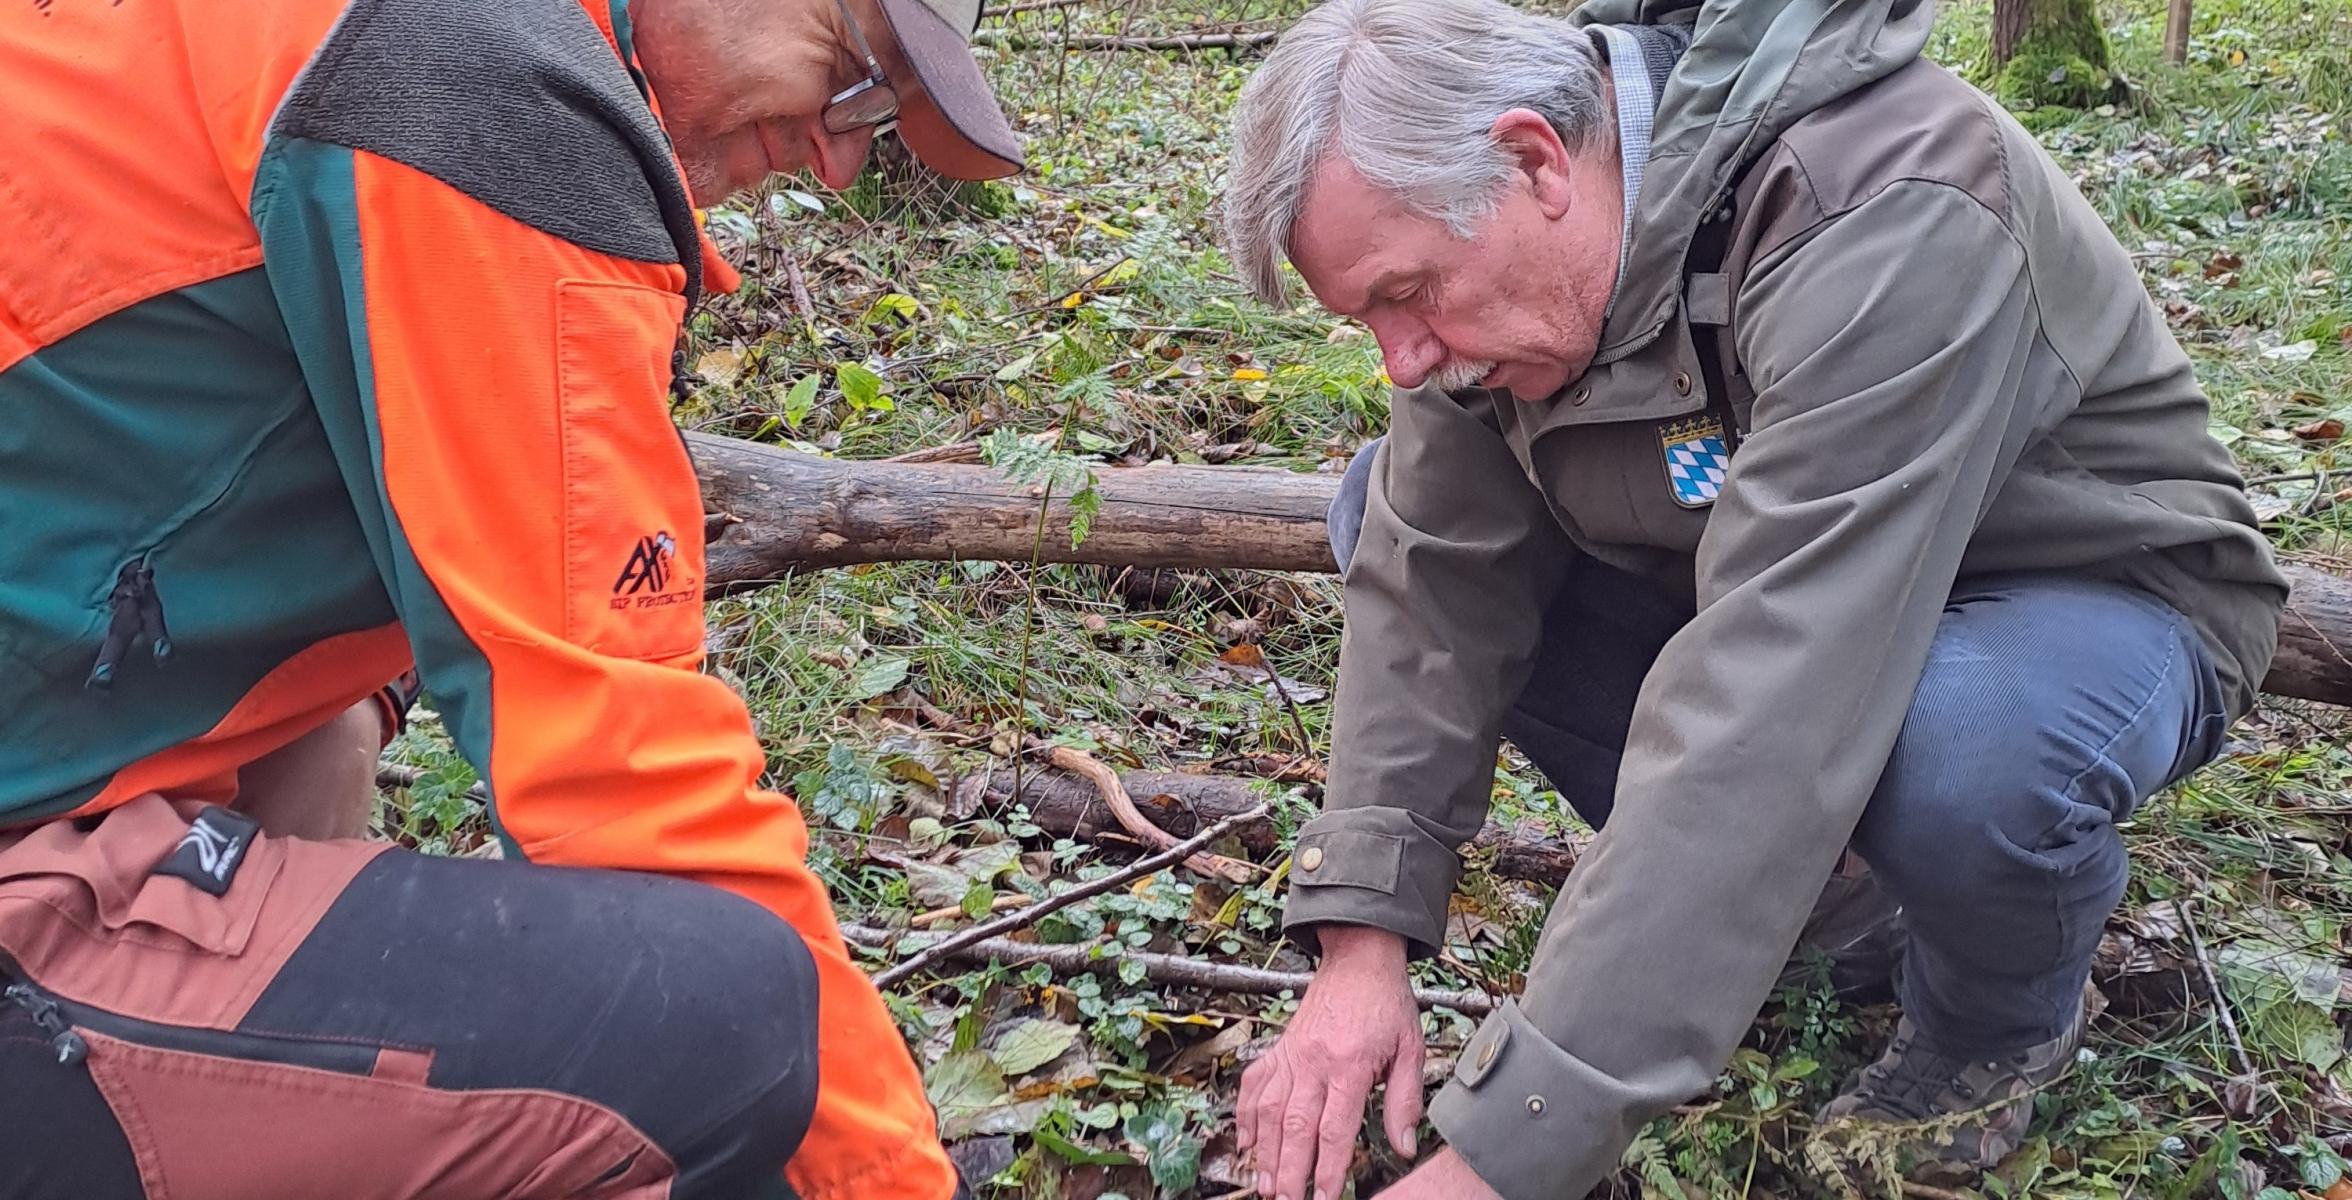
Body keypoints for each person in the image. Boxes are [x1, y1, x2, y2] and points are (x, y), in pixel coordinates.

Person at [1217, 0, 2288, 1197]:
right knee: (1378, 507)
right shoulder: (1499, 273)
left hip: (2088, 595)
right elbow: (1433, 580)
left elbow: (1774, 689)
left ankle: (1995, 1023)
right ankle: (1841, 911)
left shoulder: (1888, 201)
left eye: (1405, 295)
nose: (1400, 360)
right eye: (1369, 315)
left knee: (1960, 751)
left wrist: (1501, 1156)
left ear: (1535, 160)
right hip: (1784, 593)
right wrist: (1362, 945)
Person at [0, 0, 1021, 1196]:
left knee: (332, 731)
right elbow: (617, 775)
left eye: (879, 122)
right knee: (728, 1027)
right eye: (855, 80)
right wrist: (890, 1180)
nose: (842, 159)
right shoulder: (471, 87)